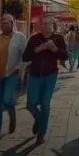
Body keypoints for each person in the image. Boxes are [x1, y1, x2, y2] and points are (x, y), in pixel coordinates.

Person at [22, 16, 67, 144]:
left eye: (49, 23)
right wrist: (37, 50)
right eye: (44, 23)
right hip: (35, 75)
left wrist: (55, 49)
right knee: (30, 104)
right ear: (40, 25)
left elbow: (65, 56)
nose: (47, 25)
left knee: (45, 104)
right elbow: (25, 57)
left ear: (53, 25)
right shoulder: (34, 39)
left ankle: (41, 133)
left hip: (50, 75)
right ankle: (38, 119)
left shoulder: (58, 38)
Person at [0, 14, 27, 138]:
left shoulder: (20, 37)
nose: (3, 25)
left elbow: (26, 55)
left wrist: (18, 68)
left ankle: (12, 114)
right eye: (2, 22)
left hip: (11, 73)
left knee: (7, 98)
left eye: (6, 23)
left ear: (12, 24)